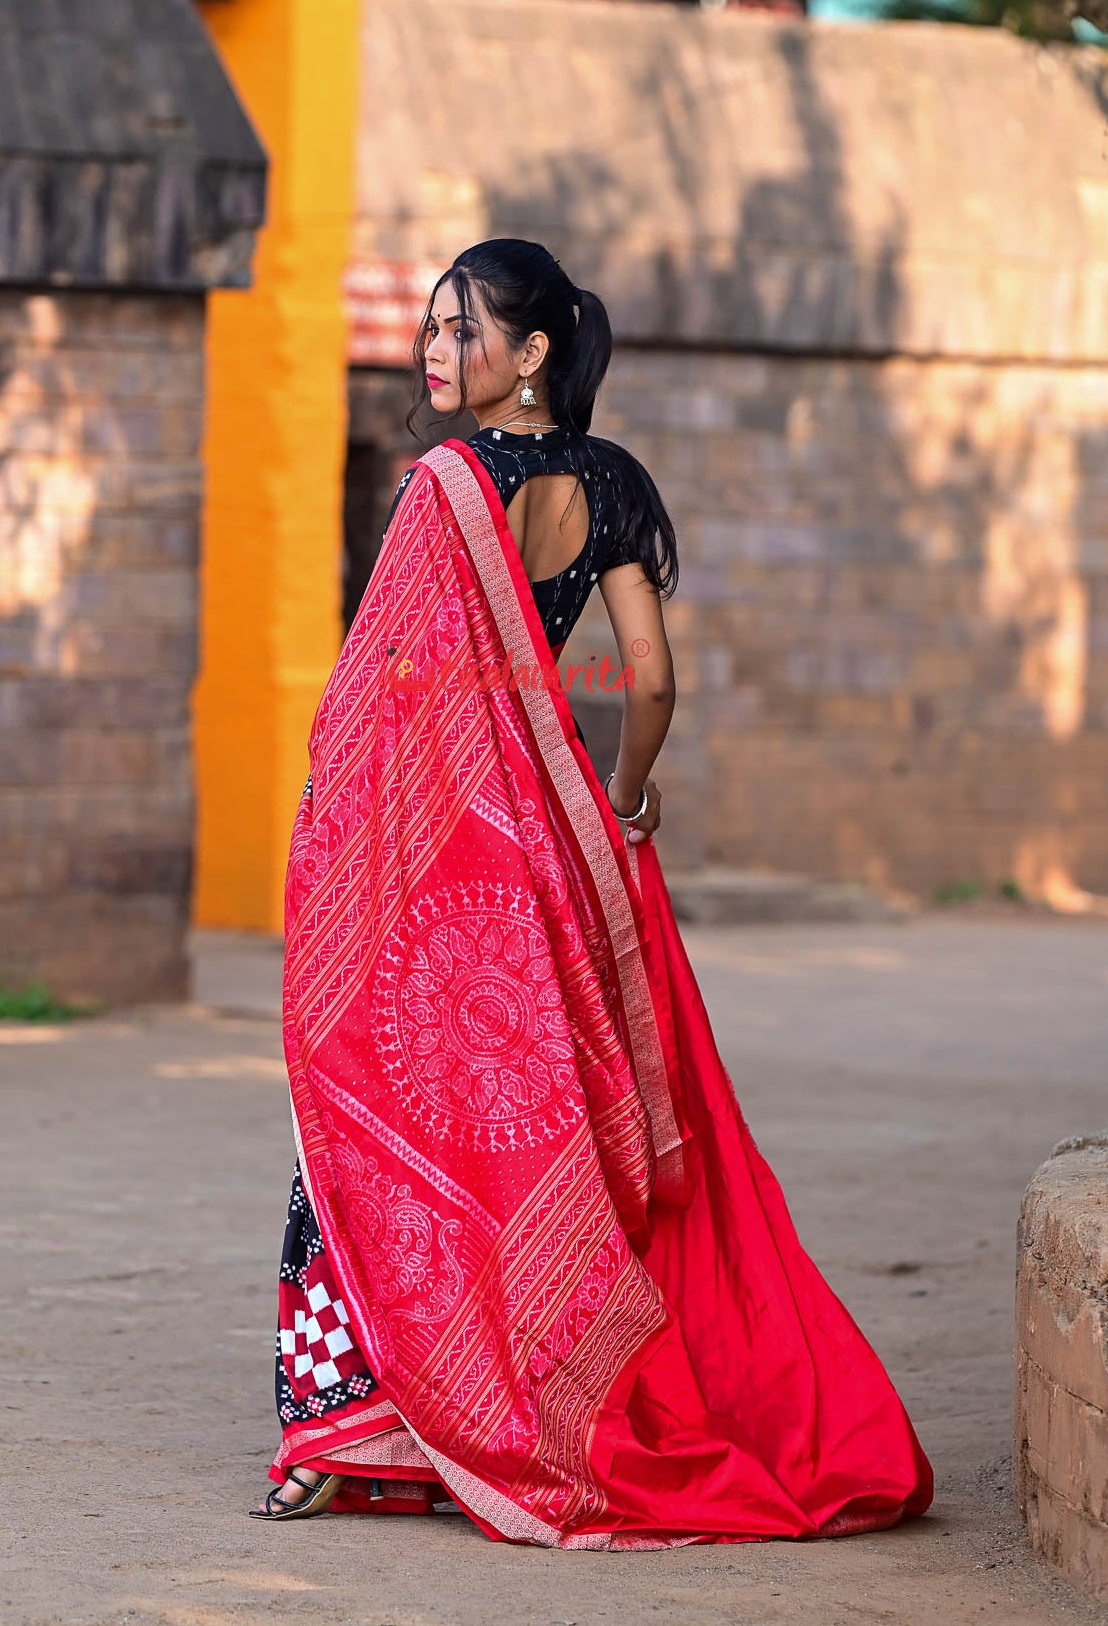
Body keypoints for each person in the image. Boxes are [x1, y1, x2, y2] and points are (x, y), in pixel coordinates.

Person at [252, 238, 934, 1545]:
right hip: (557, 840)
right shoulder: (610, 481)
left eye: (463, 330)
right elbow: (651, 676)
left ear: (531, 352)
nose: (439, 352)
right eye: (434, 330)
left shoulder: (446, 487)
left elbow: (377, 697)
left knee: (373, 1110)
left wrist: (341, 821)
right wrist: (623, 796)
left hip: (437, 848)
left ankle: (343, 1435)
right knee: (544, 1125)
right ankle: (534, 1382)